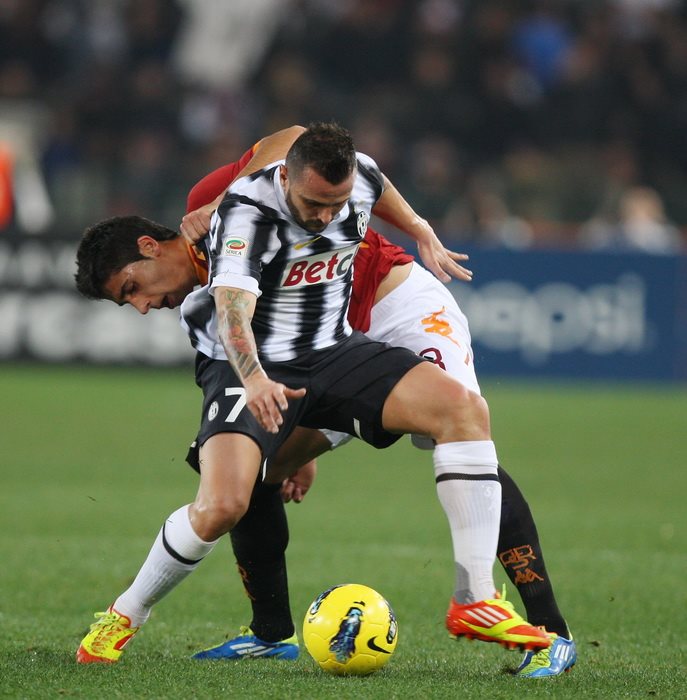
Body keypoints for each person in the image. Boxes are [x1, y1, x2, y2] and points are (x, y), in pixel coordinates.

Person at [74, 122, 550, 667]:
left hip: (334, 347)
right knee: (225, 503)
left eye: (133, 288)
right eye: (127, 299)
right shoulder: (243, 218)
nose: (142, 306)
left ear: (148, 246)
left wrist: (420, 229)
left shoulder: (259, 194)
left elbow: (328, 154)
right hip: (244, 365)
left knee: (463, 410)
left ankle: (475, 597)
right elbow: (232, 311)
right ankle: (126, 614)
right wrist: (258, 382)